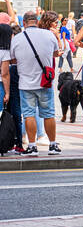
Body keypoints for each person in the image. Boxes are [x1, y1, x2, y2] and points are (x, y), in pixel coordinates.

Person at [9, 11, 60, 155]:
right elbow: (56, 53)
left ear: (24, 23)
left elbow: (13, 60)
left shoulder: (17, 39)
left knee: (29, 114)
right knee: (49, 113)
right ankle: (53, 145)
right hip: (45, 82)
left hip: (25, 83)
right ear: (37, 22)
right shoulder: (49, 35)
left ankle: (32, 146)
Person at [0, 16, 24, 154]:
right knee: (11, 112)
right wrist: (7, 92)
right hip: (4, 84)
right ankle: (18, 142)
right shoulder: (5, 51)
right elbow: (5, 74)